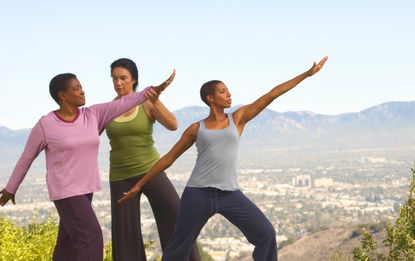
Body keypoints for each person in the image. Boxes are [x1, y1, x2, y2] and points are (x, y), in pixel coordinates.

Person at [118, 56, 329, 260]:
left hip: (230, 194)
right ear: (210, 98)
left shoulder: (238, 119)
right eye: (222, 91)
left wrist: (307, 74)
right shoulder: (195, 128)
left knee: (266, 234)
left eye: (228, 91)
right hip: (197, 194)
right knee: (177, 249)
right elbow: (168, 159)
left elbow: (272, 94)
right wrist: (140, 185)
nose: (229, 94)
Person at [0, 70, 175, 261]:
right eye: (76, 89)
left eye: (81, 87)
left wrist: (152, 91)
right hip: (66, 192)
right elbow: (27, 157)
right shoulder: (46, 125)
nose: (82, 91)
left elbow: (125, 102)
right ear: (63, 95)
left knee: (67, 243)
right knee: (91, 237)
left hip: (85, 189)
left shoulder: (92, 115)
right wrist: (11, 188)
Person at [104, 58, 200, 260]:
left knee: (176, 217)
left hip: (151, 171)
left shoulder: (146, 102)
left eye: (123, 78)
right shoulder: (107, 109)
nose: (118, 83)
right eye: (114, 78)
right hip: (120, 175)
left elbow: (173, 124)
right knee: (125, 234)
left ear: (134, 79)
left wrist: (155, 98)